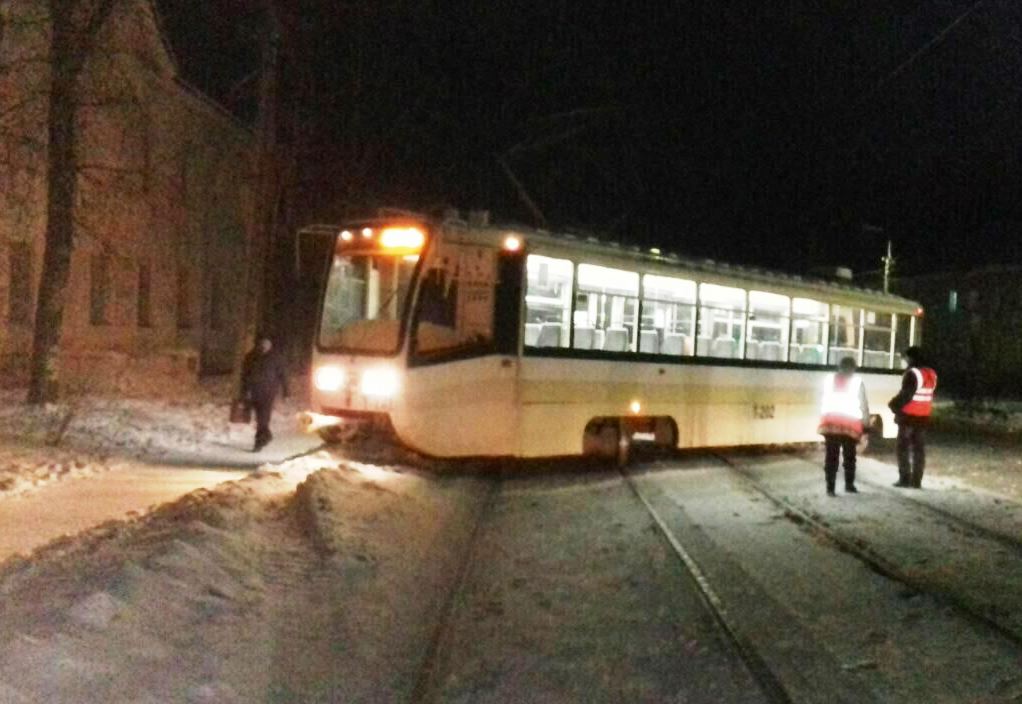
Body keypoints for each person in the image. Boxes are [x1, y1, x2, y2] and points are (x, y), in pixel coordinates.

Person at [817, 356, 869, 496]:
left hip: (830, 424)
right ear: (853, 368)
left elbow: (821, 399)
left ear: (839, 366)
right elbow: (863, 405)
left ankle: (830, 488)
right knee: (849, 457)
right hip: (849, 426)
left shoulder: (828, 380)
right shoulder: (857, 382)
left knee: (831, 457)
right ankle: (849, 485)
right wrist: (866, 425)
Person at [888, 346, 937, 488]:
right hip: (923, 416)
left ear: (911, 358)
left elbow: (906, 395)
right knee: (919, 450)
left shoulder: (912, 374)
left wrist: (893, 405)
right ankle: (917, 481)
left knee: (903, 448)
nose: (905, 360)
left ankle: (904, 479)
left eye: (906, 357)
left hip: (908, 416)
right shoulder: (932, 374)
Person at [241, 333, 289, 452]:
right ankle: (267, 435)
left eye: (266, 343)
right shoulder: (250, 357)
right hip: (254, 391)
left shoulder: (276, 357)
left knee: (263, 418)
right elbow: (245, 375)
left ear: (270, 344)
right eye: (262, 343)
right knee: (260, 418)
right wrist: (244, 390)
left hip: (268, 392)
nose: (264, 346)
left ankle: (259, 442)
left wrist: (286, 392)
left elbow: (283, 376)